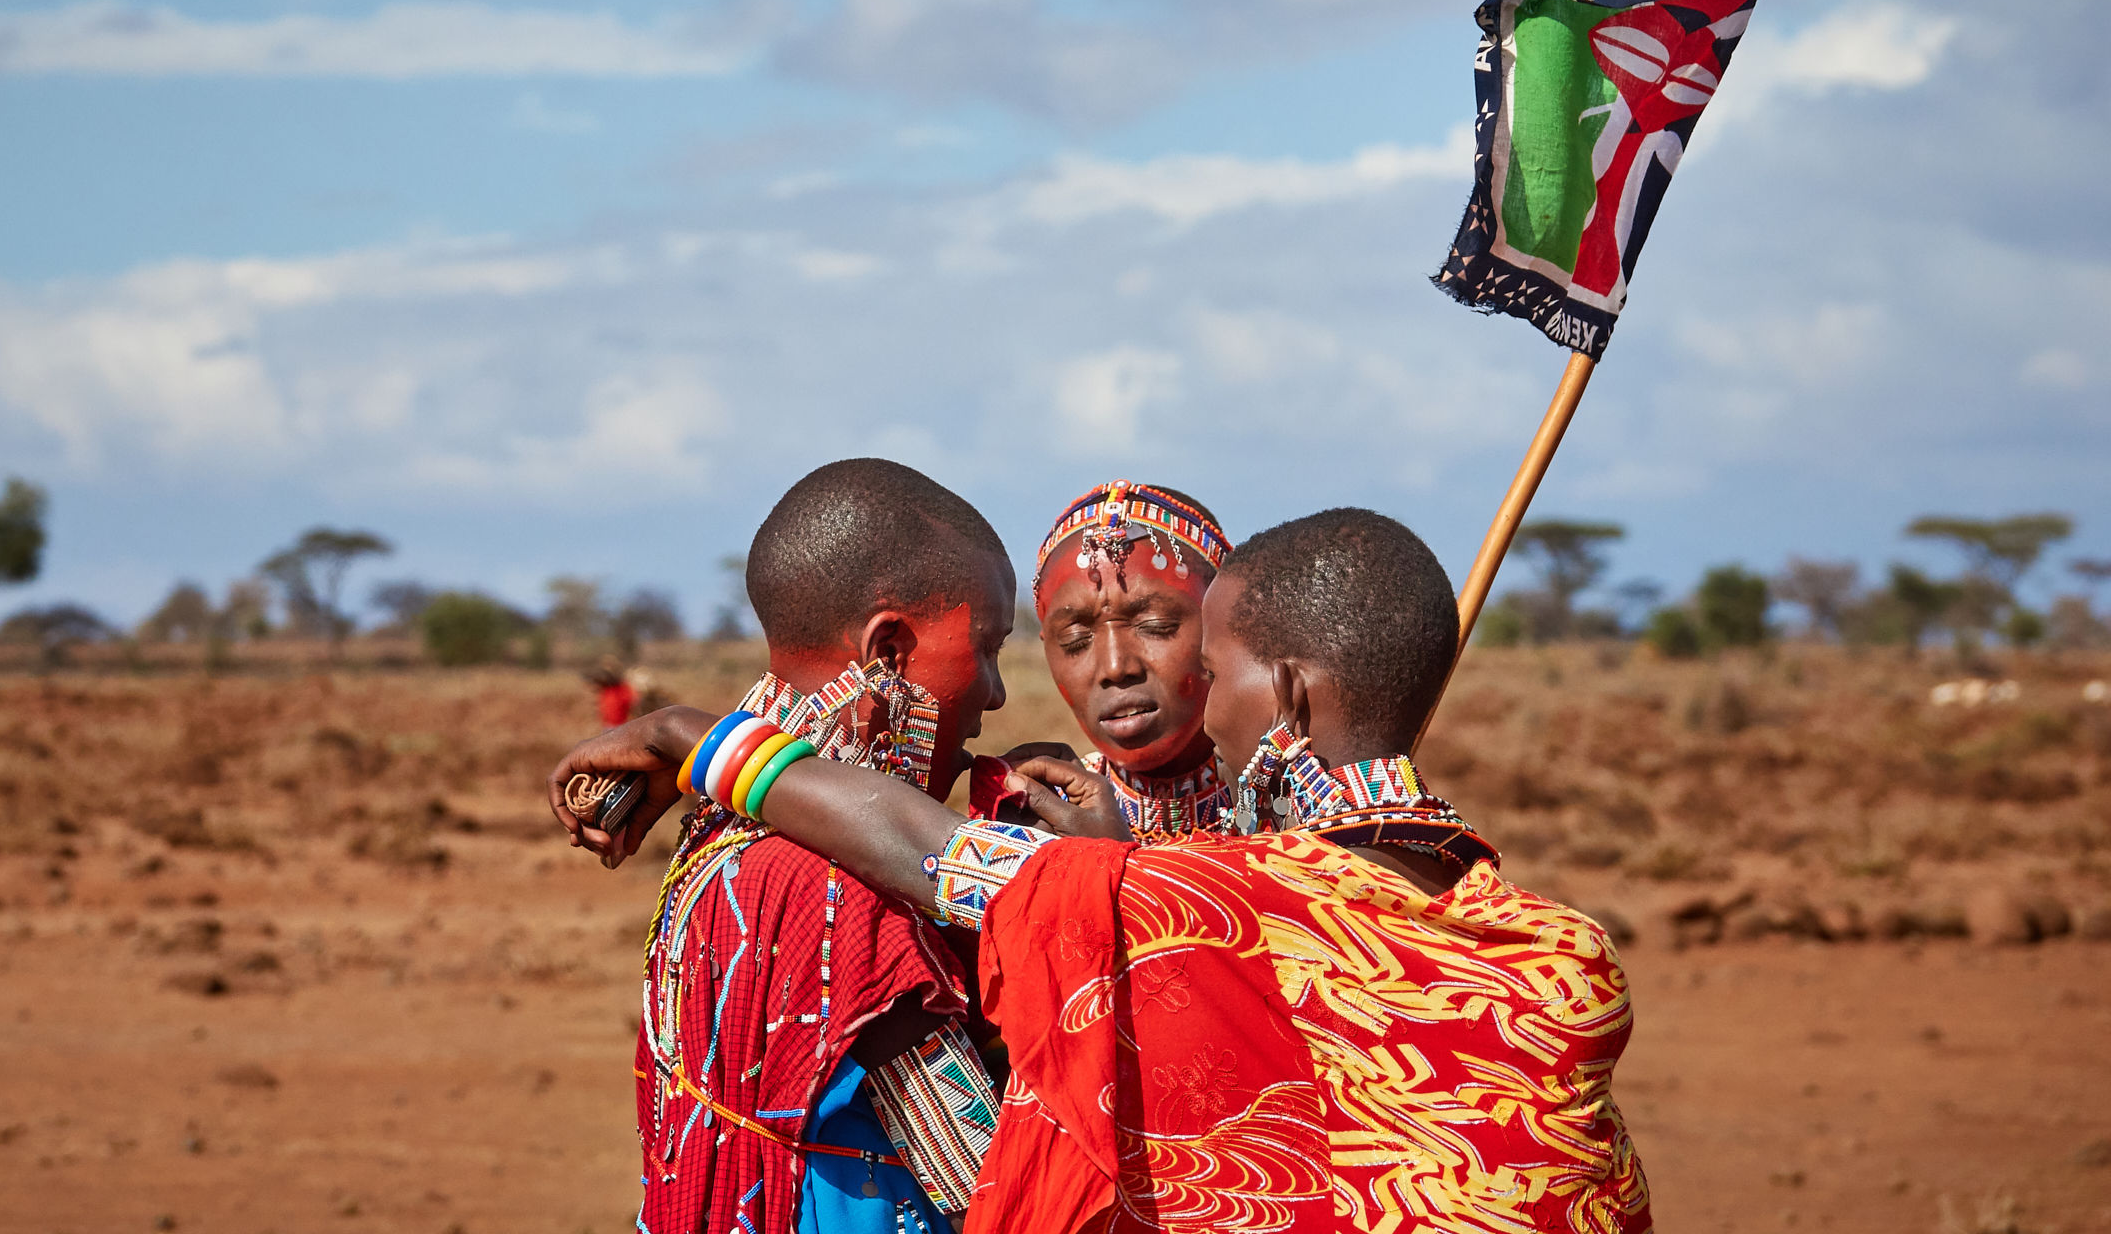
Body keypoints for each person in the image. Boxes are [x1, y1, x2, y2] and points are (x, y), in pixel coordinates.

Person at [556, 507, 1651, 1233]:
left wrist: (691, 736)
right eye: (1064, 636)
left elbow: (919, 851)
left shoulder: (1201, 903)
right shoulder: (1570, 953)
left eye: (1206, 664)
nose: (1171, 688)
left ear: (1297, 699)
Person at [616, 457, 1024, 1234]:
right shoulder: (840, 890)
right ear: (888, 652)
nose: (997, 693)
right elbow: (992, 1180)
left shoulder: (718, 833)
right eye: (990, 647)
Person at [1024, 481, 1233, 841]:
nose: (1116, 667)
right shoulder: (1034, 825)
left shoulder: (1313, 811)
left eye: (1156, 626)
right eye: (1075, 640)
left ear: (1228, 623)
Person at [590, 658, 638, 729]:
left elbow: (632, 706)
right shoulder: (606, 689)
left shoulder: (623, 689)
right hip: (608, 725)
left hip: (621, 725)